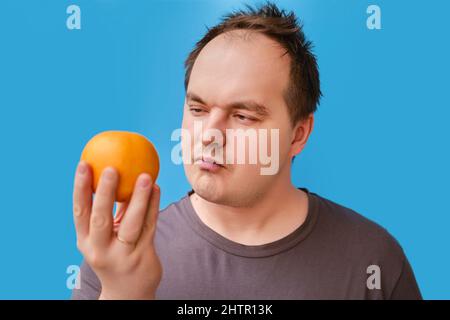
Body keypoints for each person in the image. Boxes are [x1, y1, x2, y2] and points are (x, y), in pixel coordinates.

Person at [71, 2, 422, 300]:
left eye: (242, 116)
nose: (209, 135)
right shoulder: (118, 257)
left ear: (298, 135)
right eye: (198, 109)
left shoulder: (373, 259)